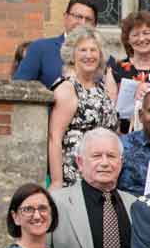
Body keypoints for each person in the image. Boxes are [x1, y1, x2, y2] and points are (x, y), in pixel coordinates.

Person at [48, 27, 118, 187]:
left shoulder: (100, 88)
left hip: (103, 175)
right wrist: (57, 181)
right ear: (72, 55)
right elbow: (55, 138)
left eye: (94, 50)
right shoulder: (68, 87)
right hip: (75, 177)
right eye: (83, 50)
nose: (89, 55)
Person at [14, 0, 98, 87]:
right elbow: (18, 89)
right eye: (77, 16)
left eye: (88, 19)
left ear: (94, 25)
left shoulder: (104, 58)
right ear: (65, 17)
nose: (82, 23)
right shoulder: (40, 49)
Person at [108, 11, 150, 95]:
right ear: (128, 39)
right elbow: (111, 105)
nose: (142, 39)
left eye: (146, 33)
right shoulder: (115, 70)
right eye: (135, 35)